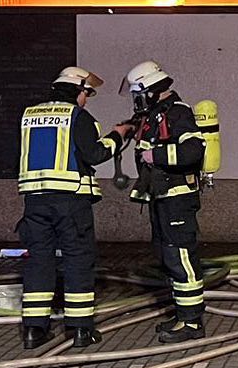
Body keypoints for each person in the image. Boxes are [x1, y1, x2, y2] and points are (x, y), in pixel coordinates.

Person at [16, 67, 131, 350]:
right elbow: (95, 153)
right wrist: (118, 135)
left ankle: (33, 331)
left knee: (39, 262)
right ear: (77, 91)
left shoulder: (29, 115)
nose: (86, 100)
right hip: (70, 202)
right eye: (86, 93)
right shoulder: (78, 117)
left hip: (35, 201)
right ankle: (80, 330)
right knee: (78, 260)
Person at [124, 60, 207, 342]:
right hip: (162, 197)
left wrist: (155, 156)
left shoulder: (178, 113)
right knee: (168, 257)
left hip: (177, 199)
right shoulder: (158, 114)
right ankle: (183, 313)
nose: (138, 100)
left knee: (180, 256)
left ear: (150, 89)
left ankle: (192, 322)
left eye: (139, 93)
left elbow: (193, 151)